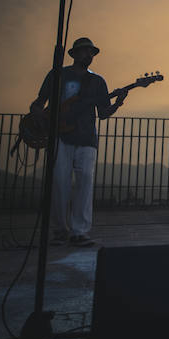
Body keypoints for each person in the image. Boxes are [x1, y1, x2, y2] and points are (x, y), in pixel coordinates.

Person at [30, 37, 127, 247]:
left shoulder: (98, 81)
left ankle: (80, 231)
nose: (88, 55)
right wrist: (38, 116)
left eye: (91, 52)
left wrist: (118, 103)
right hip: (60, 136)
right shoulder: (58, 75)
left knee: (84, 184)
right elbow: (38, 103)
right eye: (84, 51)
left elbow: (102, 113)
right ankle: (59, 230)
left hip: (86, 138)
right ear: (73, 54)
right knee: (59, 183)